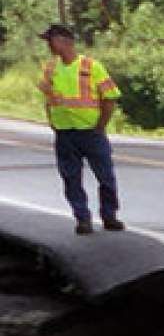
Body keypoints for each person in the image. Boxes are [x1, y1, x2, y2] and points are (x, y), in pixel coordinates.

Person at [36, 22, 124, 235]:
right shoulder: (50, 69)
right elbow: (48, 98)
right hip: (65, 133)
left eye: (51, 41)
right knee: (71, 178)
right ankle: (82, 219)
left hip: (91, 132)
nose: (49, 45)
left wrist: (101, 126)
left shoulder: (91, 67)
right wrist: (53, 123)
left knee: (105, 177)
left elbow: (110, 97)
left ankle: (109, 215)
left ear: (65, 42)